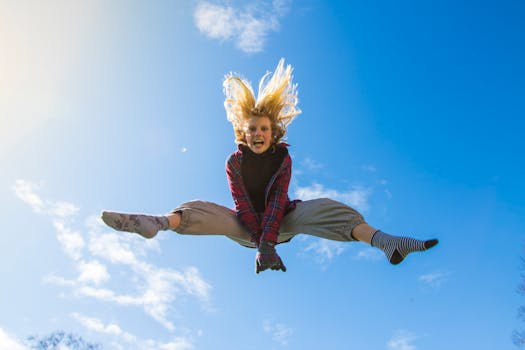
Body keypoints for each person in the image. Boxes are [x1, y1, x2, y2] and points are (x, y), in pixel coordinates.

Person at [101, 58, 438, 274]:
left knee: (324, 208)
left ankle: (385, 242)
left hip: (281, 225)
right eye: (252, 130)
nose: (258, 134)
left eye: (264, 129)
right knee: (201, 208)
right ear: (242, 134)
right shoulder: (234, 163)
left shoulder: (282, 159)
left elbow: (278, 201)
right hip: (246, 227)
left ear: (273, 132)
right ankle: (156, 222)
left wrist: (269, 245)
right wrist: (258, 242)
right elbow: (242, 205)